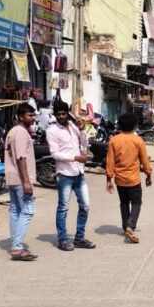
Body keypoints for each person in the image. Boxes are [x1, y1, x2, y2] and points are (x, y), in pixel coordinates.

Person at [46, 101, 95, 252]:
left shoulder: (74, 126)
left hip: (79, 172)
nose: (61, 116)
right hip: (65, 174)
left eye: (63, 113)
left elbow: (84, 144)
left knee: (85, 206)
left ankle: (79, 238)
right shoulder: (52, 130)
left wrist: (82, 130)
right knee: (63, 208)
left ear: (67, 113)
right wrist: (75, 158)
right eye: (58, 114)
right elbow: (55, 154)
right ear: (55, 115)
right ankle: (62, 239)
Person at [105, 113, 152, 244]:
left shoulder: (114, 140)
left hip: (120, 179)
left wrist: (109, 179)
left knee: (124, 203)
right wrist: (148, 174)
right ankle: (130, 226)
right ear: (134, 125)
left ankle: (126, 226)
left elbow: (110, 161)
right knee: (136, 202)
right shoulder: (138, 141)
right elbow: (144, 161)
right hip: (134, 179)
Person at [4, 102, 38, 261]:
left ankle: (16, 244)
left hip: (12, 177)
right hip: (20, 178)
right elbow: (21, 158)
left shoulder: (12, 132)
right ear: (20, 117)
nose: (33, 118)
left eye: (33, 115)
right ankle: (17, 247)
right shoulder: (20, 132)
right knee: (28, 210)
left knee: (15, 211)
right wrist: (26, 182)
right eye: (29, 115)